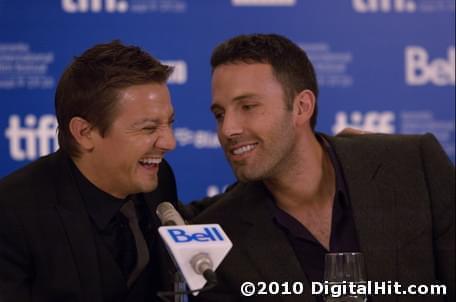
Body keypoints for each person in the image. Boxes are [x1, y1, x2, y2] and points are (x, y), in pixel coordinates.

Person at [192, 34, 455, 301]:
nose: (228, 130)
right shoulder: (218, 239)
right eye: (219, 115)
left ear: (302, 107)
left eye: (248, 106)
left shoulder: (413, 166)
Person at [0, 41, 181, 302]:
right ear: (84, 133)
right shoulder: (12, 214)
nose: (169, 143)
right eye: (148, 128)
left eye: (170, 123)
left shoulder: (160, 178)